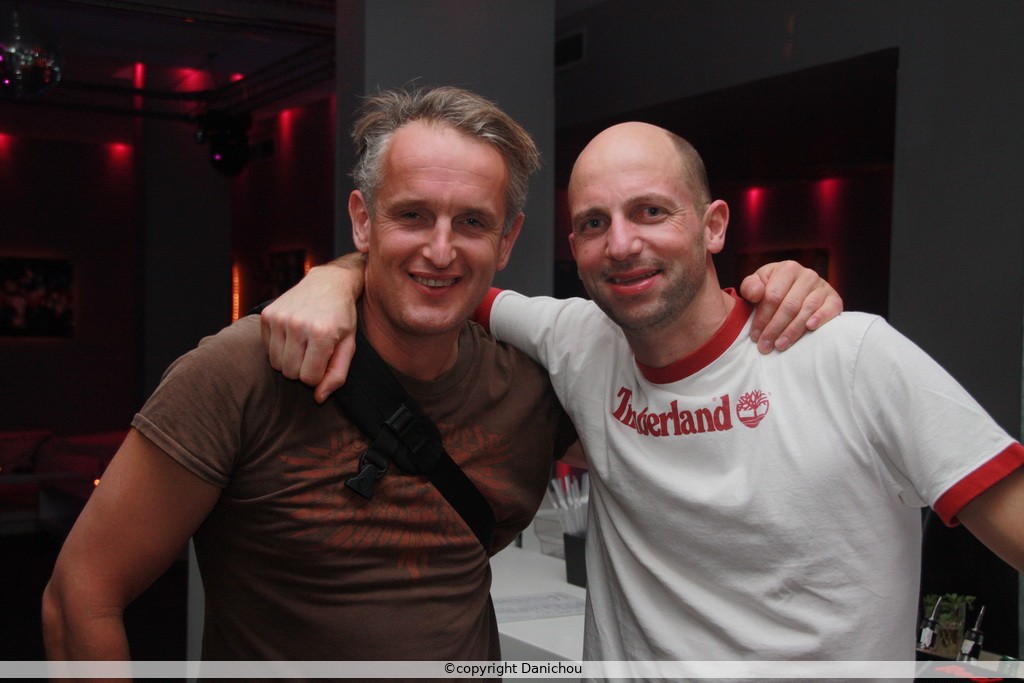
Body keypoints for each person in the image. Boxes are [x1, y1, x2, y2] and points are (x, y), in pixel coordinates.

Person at [40, 88, 838, 662]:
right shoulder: (244, 370)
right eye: (412, 214)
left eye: (473, 222)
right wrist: (331, 277)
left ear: (508, 241)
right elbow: (81, 595)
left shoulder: (539, 381)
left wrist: (776, 292)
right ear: (363, 221)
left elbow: (685, 391)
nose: (441, 249)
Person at [260, 120, 1024, 663]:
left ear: (713, 225)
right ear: (574, 248)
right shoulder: (580, 341)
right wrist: (334, 276)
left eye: (650, 211)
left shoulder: (848, 356)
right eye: (594, 223)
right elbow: (442, 278)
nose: (621, 243)